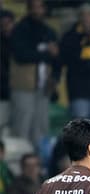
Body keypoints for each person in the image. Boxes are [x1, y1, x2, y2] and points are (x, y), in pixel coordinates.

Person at [9, 0, 58, 149]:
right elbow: (21, 55)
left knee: (41, 129)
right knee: (22, 127)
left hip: (43, 87)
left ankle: (40, 166)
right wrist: (45, 53)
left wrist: (55, 78)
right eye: (34, 7)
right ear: (29, 9)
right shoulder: (20, 30)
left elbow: (57, 58)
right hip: (24, 87)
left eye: (40, 7)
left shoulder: (49, 31)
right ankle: (20, 163)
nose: (37, 11)